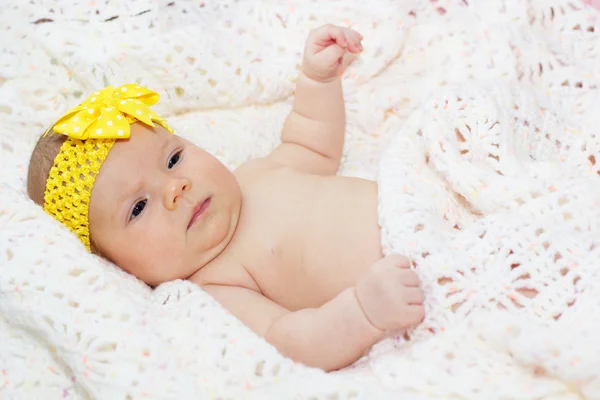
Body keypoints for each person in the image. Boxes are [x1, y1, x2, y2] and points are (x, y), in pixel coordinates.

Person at [27, 24, 425, 371]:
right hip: (414, 277)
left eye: (174, 158)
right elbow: (290, 339)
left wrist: (318, 81)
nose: (175, 187)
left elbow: (313, 143)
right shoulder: (218, 286)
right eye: (138, 207)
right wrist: (363, 311)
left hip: (425, 201)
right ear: (116, 267)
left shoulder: (254, 175)